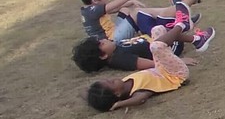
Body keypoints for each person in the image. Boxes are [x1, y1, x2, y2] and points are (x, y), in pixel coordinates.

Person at [82, 35, 204, 112]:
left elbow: (85, 93)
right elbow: (140, 100)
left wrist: (89, 94)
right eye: (112, 82)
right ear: (118, 93)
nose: (113, 78)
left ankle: (195, 38)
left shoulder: (126, 82)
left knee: (158, 31)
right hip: (176, 75)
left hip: (163, 68)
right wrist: (120, 104)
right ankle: (182, 25)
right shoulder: (137, 91)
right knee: (156, 46)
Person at [72, 17, 216, 73]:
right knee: (158, 32)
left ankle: (192, 34)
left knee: (156, 29)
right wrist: (178, 61)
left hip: (159, 43)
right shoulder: (120, 59)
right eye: (100, 44)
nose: (103, 40)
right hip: (166, 51)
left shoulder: (116, 48)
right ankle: (185, 27)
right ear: (103, 56)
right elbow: (152, 63)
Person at [78, 0, 200, 42]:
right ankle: (180, 12)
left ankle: (178, 15)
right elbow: (116, 3)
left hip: (111, 35)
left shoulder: (88, 10)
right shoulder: (94, 10)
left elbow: (114, 9)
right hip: (113, 40)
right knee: (137, 13)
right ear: (94, 1)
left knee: (127, 9)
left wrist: (130, 3)